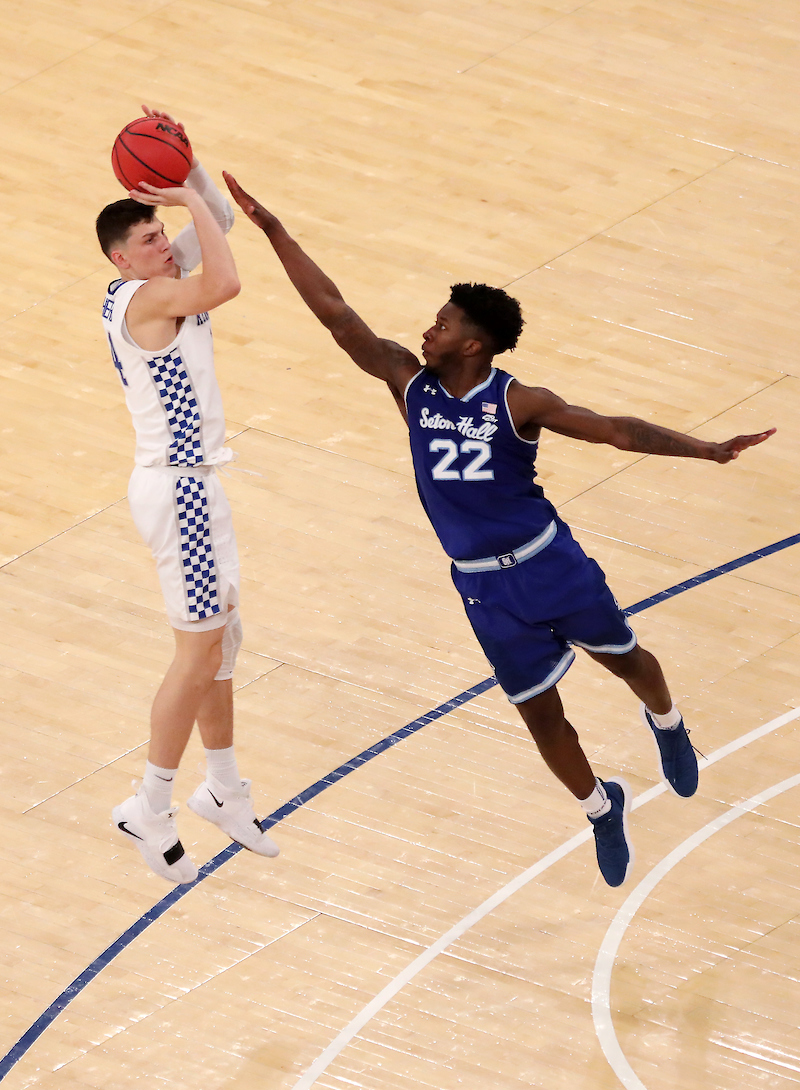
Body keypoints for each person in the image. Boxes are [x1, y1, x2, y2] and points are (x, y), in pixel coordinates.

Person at [222, 172, 775, 889]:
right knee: (541, 717)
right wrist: (275, 232)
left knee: (629, 660)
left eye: (444, 324)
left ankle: (668, 726)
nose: (428, 329)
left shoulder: (520, 401)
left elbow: (616, 431)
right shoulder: (407, 382)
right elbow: (338, 316)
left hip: (550, 563)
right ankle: (600, 808)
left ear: (476, 346)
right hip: (484, 587)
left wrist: (704, 448)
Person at [96, 111, 279, 885]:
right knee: (198, 648)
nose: (162, 242)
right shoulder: (145, 300)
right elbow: (231, 278)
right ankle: (151, 800)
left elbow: (223, 222)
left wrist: (191, 172)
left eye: (161, 232)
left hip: (196, 485)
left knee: (224, 640)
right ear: (118, 258)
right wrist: (179, 193)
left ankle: (225, 788)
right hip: (179, 494)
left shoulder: (165, 283)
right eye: (148, 237)